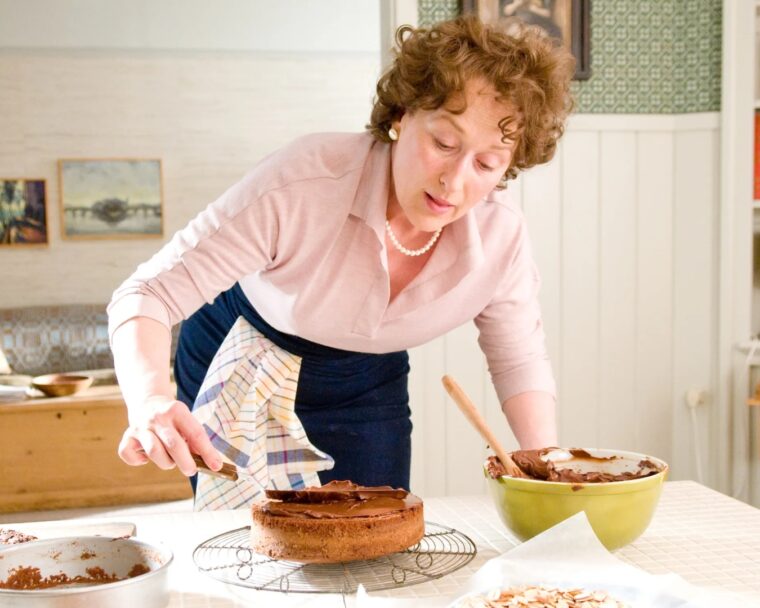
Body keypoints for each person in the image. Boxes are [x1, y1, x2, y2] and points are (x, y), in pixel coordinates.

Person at [108, 15, 575, 491]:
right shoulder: (304, 181)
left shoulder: (501, 235)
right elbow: (147, 293)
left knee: (374, 541)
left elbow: (519, 361)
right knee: (249, 551)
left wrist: (546, 472)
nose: (455, 182)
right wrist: (149, 400)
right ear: (401, 116)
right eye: (443, 142)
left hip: (364, 380)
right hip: (242, 348)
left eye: (486, 163)